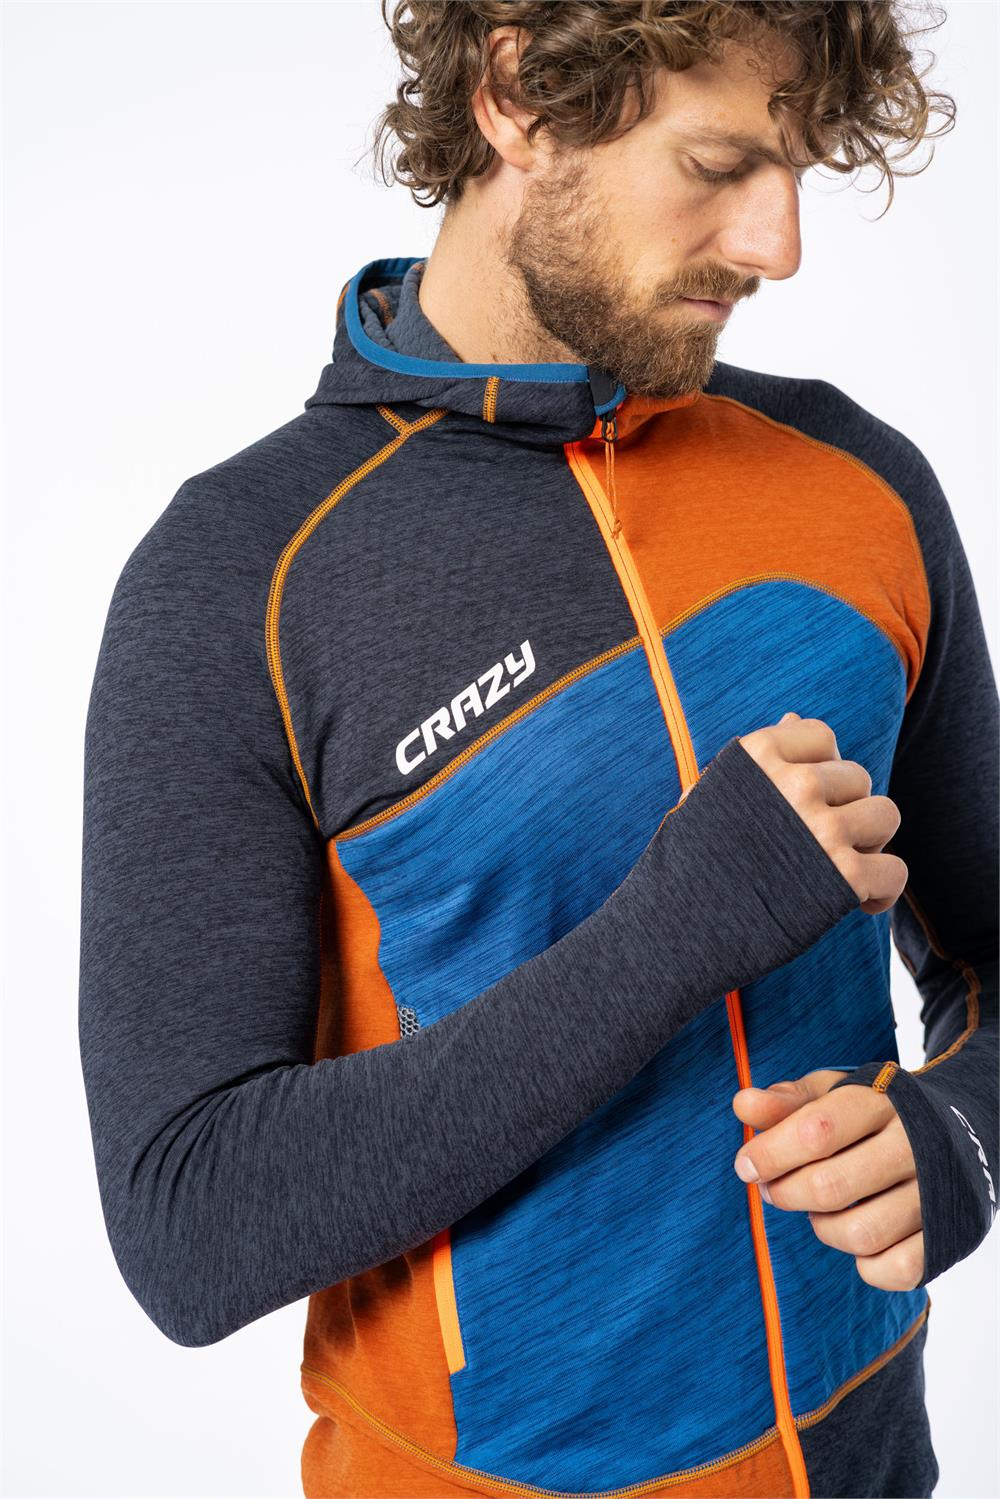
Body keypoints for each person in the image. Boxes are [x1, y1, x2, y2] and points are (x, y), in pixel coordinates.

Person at [78, 4, 998, 1496]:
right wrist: (671, 936)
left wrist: (965, 1133)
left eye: (799, 173)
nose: (778, 246)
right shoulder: (242, 577)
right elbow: (190, 1225)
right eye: (718, 165)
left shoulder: (858, 483)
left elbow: (992, 958)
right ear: (517, 94)